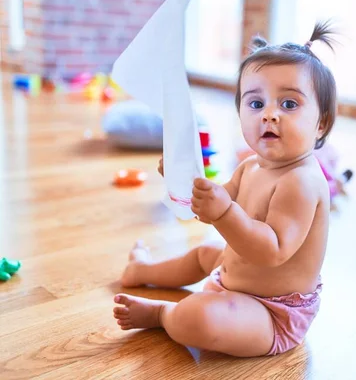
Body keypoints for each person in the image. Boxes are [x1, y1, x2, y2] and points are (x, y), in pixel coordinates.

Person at [112, 21, 338, 357]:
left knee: (199, 317)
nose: (269, 115)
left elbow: (271, 251)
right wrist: (185, 181)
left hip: (272, 312)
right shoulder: (252, 166)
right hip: (230, 278)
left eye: (289, 104)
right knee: (205, 254)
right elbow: (213, 201)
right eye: (256, 104)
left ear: (321, 122)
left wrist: (223, 212)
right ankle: (143, 270)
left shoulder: (302, 181)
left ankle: (162, 314)